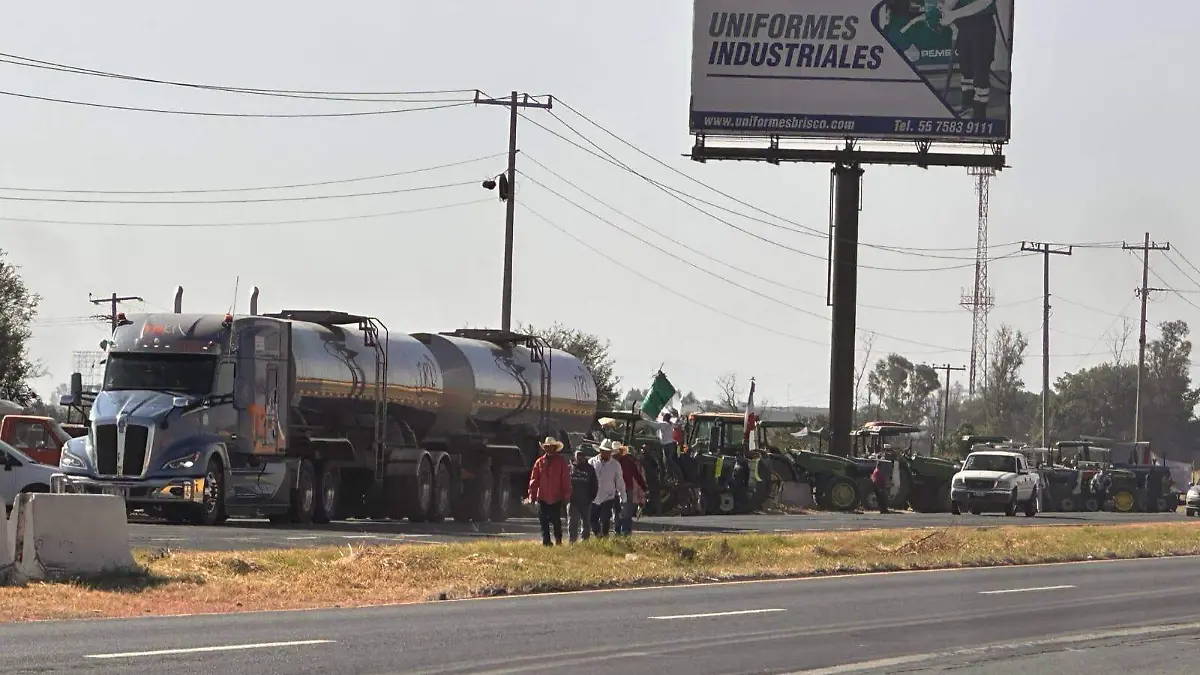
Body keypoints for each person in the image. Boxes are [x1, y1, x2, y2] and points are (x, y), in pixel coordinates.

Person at [929, 0, 999, 119]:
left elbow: (984, 2)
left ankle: (979, 115)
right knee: (966, 70)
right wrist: (945, 9)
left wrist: (953, 14)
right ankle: (966, 107)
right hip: (963, 26)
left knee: (980, 72)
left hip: (982, 25)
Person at [527, 436, 571, 546]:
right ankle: (546, 541)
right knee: (543, 521)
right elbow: (534, 479)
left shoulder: (561, 462)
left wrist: (566, 495)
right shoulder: (539, 462)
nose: (548, 448)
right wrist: (532, 495)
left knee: (556, 521)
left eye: (550, 446)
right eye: (546, 446)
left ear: (554, 448)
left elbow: (565, 479)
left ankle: (558, 541)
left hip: (556, 496)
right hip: (542, 496)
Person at [589, 439, 625, 538]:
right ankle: (598, 536)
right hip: (594, 495)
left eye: (609, 452)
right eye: (605, 451)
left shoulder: (615, 464)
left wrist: (623, 496)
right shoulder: (592, 462)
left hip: (608, 495)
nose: (607, 454)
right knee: (592, 519)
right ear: (601, 451)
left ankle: (605, 537)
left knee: (605, 518)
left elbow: (620, 481)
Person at [615, 443, 649, 536]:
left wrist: (643, 493)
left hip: (627, 490)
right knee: (621, 513)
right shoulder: (616, 462)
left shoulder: (631, 464)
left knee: (625, 513)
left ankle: (624, 533)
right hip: (620, 490)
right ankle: (621, 532)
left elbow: (638, 478)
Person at [568, 449, 598, 543]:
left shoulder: (590, 469)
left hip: (586, 500)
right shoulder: (569, 468)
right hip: (572, 500)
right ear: (574, 456)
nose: (579, 457)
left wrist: (591, 497)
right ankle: (572, 541)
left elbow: (594, 484)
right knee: (572, 522)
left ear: (584, 457)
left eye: (581, 455)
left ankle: (585, 542)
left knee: (586, 522)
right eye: (578, 455)